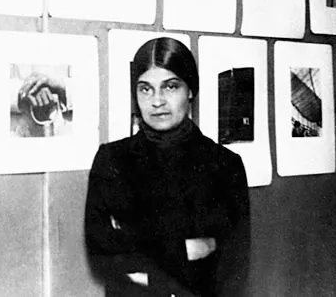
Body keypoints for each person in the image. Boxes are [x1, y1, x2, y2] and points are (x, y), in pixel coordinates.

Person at [85, 37, 250, 296]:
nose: (157, 101)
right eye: (145, 89)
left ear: (190, 90)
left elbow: (234, 266)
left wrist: (139, 253)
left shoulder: (224, 165)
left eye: (170, 87)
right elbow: (101, 251)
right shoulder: (112, 159)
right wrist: (187, 249)